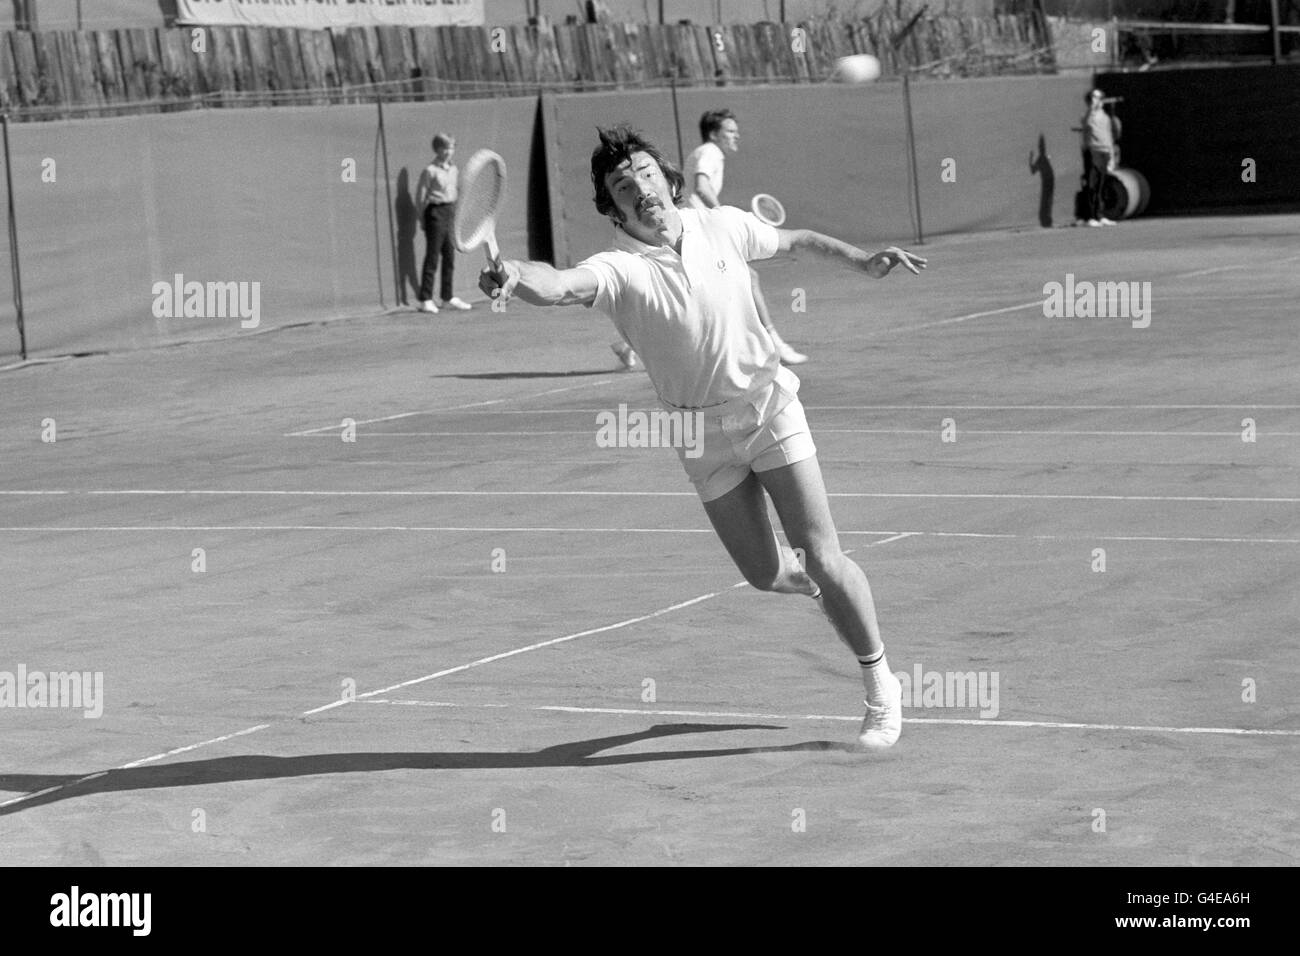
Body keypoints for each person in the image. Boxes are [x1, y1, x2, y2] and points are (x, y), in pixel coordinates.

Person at [478, 126, 927, 749]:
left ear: (667, 177)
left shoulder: (721, 226)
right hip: (697, 432)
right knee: (765, 575)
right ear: (613, 208)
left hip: (767, 405)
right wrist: (512, 278)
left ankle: (882, 689)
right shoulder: (619, 268)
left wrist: (861, 259)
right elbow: (556, 284)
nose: (638, 188)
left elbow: (793, 240)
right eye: (621, 185)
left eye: (644, 173)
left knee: (821, 552)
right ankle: (823, 593)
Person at [415, 133, 474, 313]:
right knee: (432, 258)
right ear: (437, 149)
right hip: (435, 213)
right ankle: (426, 299)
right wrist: (423, 219)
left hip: (450, 213)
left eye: (451, 148)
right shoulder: (430, 171)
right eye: (445, 148)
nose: (449, 152)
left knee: (449, 257)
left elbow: (455, 192)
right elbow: (419, 198)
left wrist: (456, 214)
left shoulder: (454, 169)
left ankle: (447, 298)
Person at [1080, 89, 1121, 228]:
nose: (1096, 100)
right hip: (1092, 152)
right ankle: (1090, 217)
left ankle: (1100, 215)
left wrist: (1111, 157)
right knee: (1091, 185)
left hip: (1105, 153)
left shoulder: (1106, 118)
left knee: (1101, 186)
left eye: (1098, 98)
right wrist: (1092, 108)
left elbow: (1109, 136)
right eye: (1093, 98)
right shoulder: (1087, 116)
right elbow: (1087, 122)